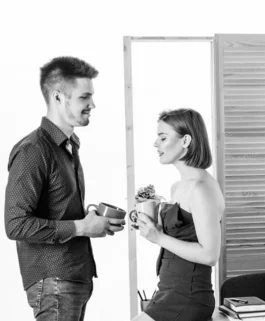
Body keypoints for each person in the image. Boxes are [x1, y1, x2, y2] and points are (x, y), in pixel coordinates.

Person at [4, 56, 126, 321]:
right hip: (54, 281)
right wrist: (82, 227)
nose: (92, 104)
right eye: (85, 97)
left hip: (71, 277)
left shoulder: (69, 145)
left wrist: (93, 221)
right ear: (58, 98)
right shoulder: (33, 150)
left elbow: (59, 211)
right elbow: (15, 224)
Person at [132, 108, 224, 321]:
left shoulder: (201, 188)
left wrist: (159, 237)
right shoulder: (177, 187)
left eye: (163, 137)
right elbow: (183, 236)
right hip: (168, 292)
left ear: (185, 141)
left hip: (188, 298)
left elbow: (210, 255)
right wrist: (151, 226)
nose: (156, 144)